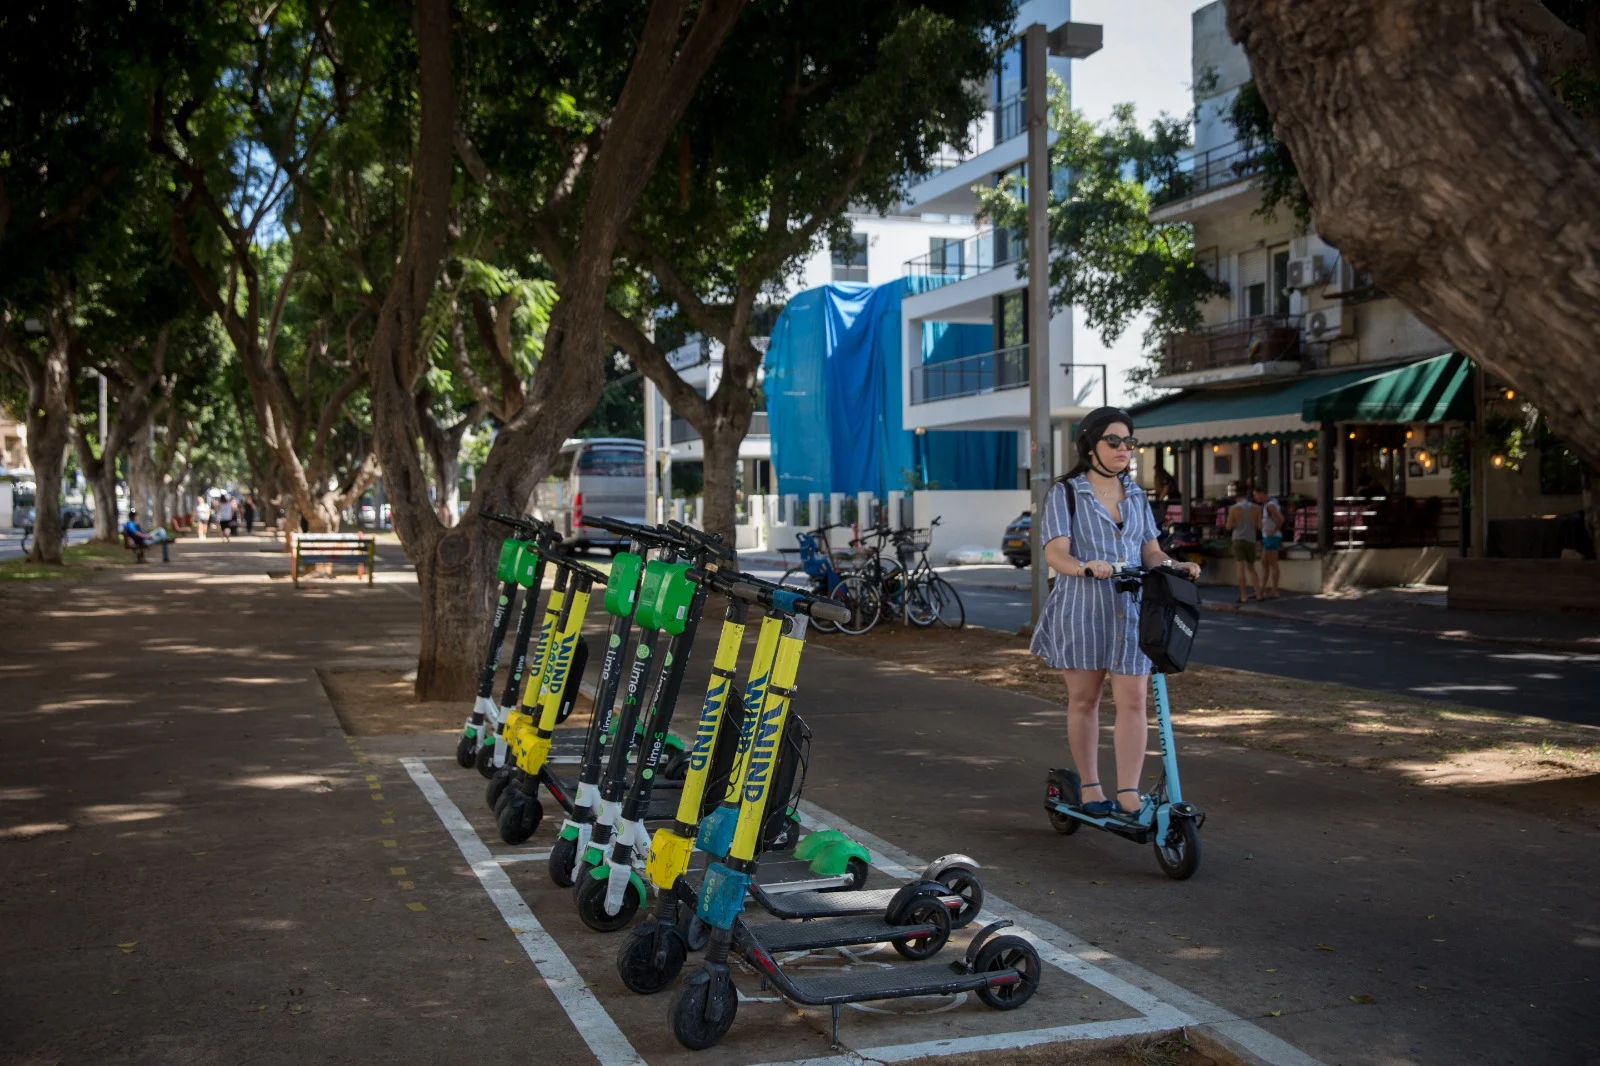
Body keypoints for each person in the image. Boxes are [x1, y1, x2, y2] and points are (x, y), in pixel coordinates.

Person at [1030, 407, 1202, 818]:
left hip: (1132, 608)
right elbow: (1055, 553)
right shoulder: (1066, 492)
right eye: (1113, 440)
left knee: (1134, 700)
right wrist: (1084, 566)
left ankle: (1127, 791)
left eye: (1129, 441)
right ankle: (1090, 787)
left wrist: (1175, 566)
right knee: (1085, 700)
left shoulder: (1137, 494)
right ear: (1089, 445)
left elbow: (1150, 550)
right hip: (1083, 607)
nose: (1124, 448)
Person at [1226, 482, 1264, 603]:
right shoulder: (1257, 509)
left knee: (1240, 568)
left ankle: (1243, 596)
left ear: (1237, 497)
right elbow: (1259, 527)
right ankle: (1258, 594)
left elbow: (1228, 527)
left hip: (1238, 539)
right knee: (1251, 567)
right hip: (1250, 539)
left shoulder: (1233, 509)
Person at [1255, 484, 1285, 599]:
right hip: (1268, 537)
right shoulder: (1268, 505)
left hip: (1271, 538)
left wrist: (1274, 530)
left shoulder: (1270, 505)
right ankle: (1263, 589)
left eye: (1256, 495)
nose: (1255, 498)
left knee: (1272, 564)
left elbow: (1280, 519)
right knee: (1265, 563)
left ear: (1261, 493)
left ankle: (1273, 590)